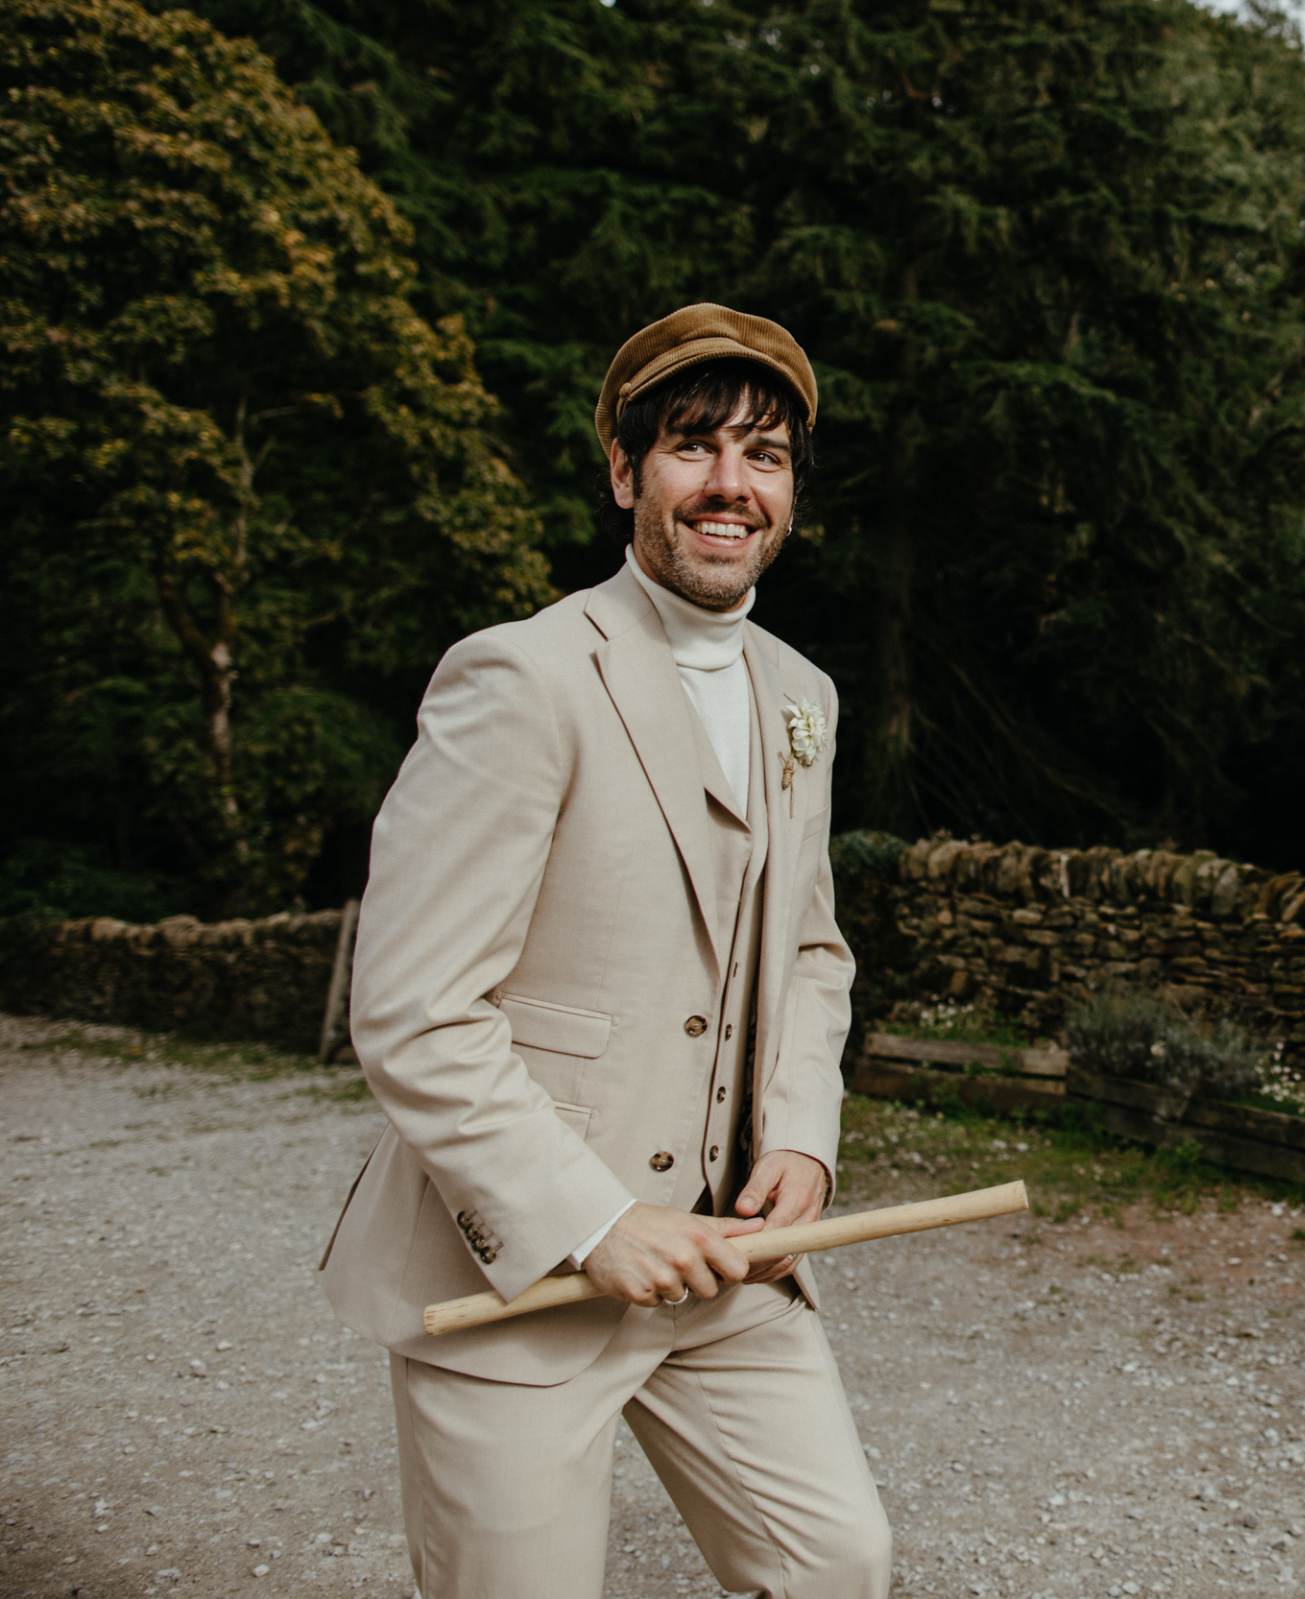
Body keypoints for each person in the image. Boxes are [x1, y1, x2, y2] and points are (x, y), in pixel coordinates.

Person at [319, 304, 888, 1599]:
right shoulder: (519, 677)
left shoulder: (805, 694)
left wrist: (800, 1133)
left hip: (723, 1267)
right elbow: (412, 1009)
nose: (733, 486)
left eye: (768, 454)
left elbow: (808, 946)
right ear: (627, 474)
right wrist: (589, 1217)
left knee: (839, 1560)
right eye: (695, 448)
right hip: (515, 1277)